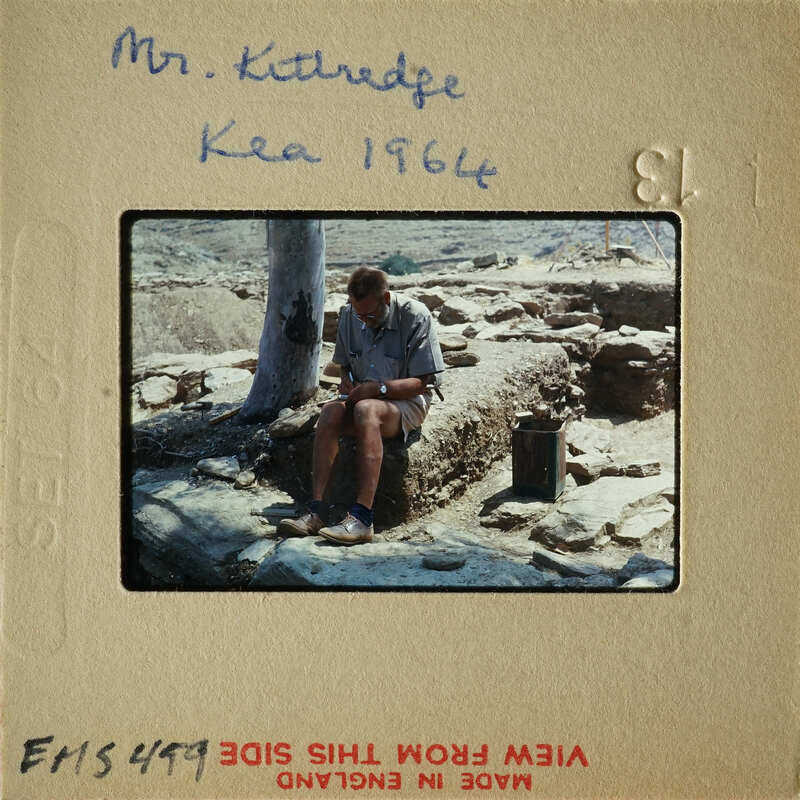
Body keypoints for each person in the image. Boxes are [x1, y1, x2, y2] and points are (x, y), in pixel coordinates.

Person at [278, 266, 445, 544]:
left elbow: (421, 382)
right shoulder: (349, 316)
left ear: (386, 299)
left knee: (367, 410)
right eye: (360, 315)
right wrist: (347, 383)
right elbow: (344, 366)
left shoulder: (415, 316)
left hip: (405, 401)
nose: (364, 322)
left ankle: (362, 518)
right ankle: (316, 510)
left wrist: (378, 389)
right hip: (364, 397)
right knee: (330, 411)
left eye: (371, 315)